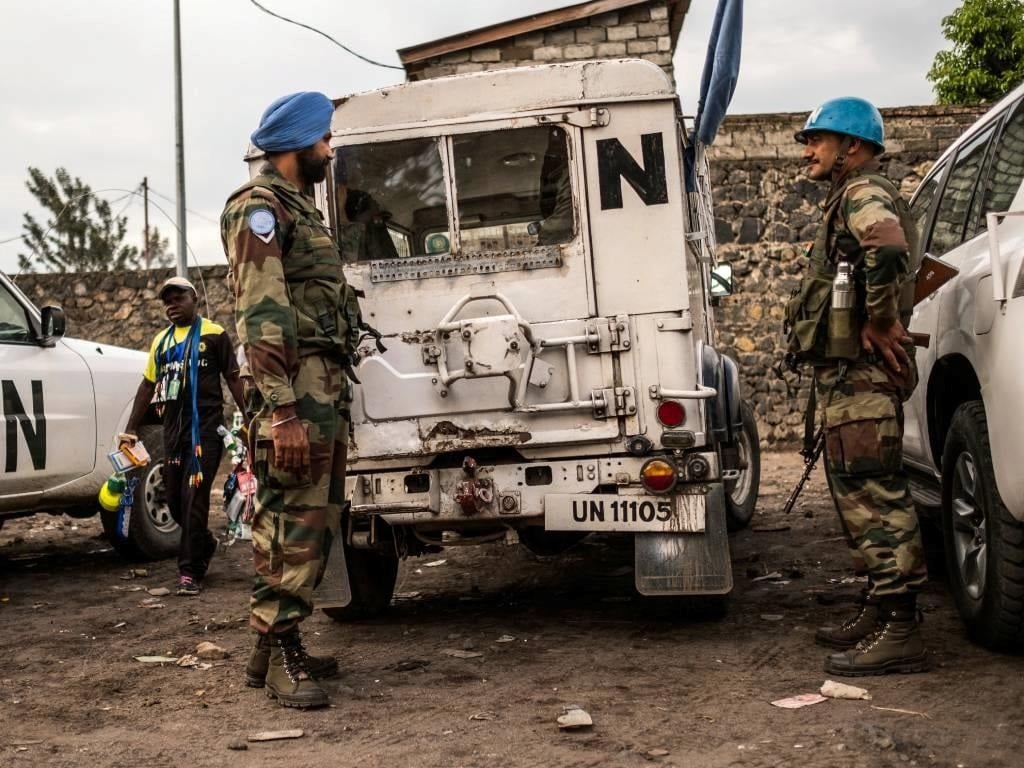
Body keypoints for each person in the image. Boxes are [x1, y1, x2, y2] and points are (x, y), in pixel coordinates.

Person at [221, 91, 362, 709]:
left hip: (320, 385)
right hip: (293, 390)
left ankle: (270, 650)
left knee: (316, 517)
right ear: (299, 144)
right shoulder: (259, 208)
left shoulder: (298, 209)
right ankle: (279, 657)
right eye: (324, 139)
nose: (330, 150)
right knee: (292, 521)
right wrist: (281, 408)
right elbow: (262, 310)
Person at [786, 97, 928, 676]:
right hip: (848, 377)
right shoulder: (847, 196)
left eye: (818, 137)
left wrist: (880, 318)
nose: (808, 148)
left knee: (875, 494)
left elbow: (888, 244)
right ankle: (880, 604)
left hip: (862, 375)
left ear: (853, 146)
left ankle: (903, 629)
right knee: (857, 493)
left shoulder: (863, 192)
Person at [120, 276, 245, 596]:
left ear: (194, 299)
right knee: (174, 501)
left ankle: (190, 571)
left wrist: (250, 417)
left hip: (206, 432)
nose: (172, 305)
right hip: (173, 434)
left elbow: (233, 378)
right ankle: (204, 543)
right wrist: (131, 428)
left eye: (179, 298)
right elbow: (148, 385)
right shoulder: (161, 342)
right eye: (167, 301)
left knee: (194, 499)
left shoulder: (215, 335)